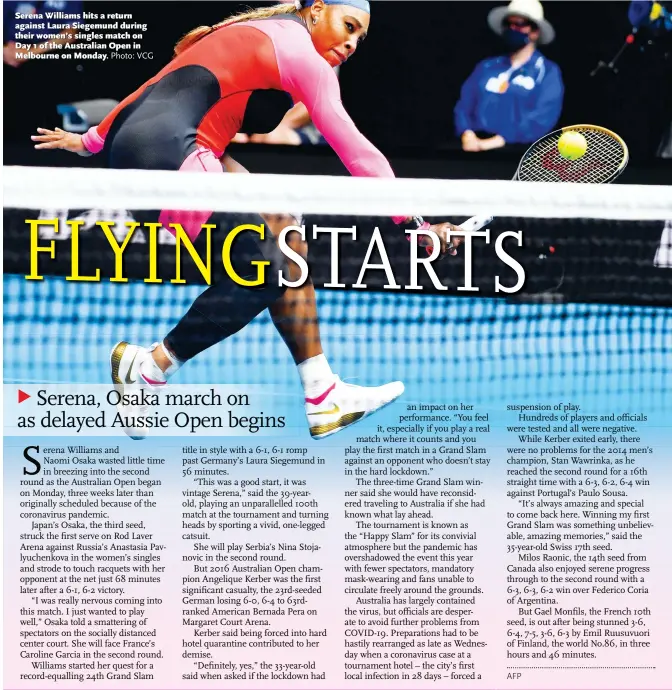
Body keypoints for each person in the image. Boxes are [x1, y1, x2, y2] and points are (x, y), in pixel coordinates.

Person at [32, 0, 464, 440]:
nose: (352, 43)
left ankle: (322, 392)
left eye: (360, 37)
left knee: (285, 237)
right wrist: (416, 225)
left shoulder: (254, 35)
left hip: (146, 149)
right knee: (266, 270)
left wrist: (91, 140)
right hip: (176, 157)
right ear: (316, 10)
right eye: (348, 26)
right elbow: (356, 150)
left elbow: (153, 87)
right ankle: (150, 367)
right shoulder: (300, 54)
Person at [454, 0, 563, 152]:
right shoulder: (487, 67)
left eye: (519, 24)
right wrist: (467, 133)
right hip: (474, 148)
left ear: (535, 31)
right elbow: (464, 105)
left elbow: (542, 117)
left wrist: (499, 141)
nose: (512, 29)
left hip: (517, 153)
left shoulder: (547, 72)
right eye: (508, 24)